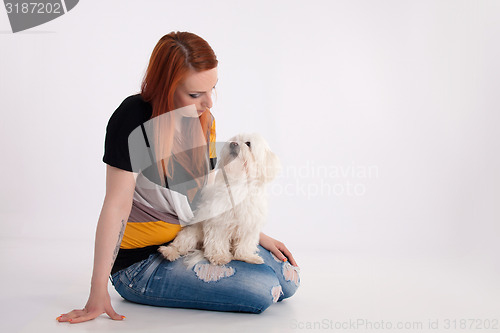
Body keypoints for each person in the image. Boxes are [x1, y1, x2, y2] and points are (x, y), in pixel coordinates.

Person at [57, 31, 300, 324]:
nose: (209, 102)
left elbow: (204, 195)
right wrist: (97, 292)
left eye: (213, 88)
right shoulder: (132, 119)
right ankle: (136, 285)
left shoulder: (203, 120)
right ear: (166, 87)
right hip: (140, 264)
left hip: (189, 237)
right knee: (264, 289)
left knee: (289, 279)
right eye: (196, 95)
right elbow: (116, 206)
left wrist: (254, 233)